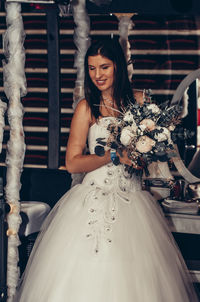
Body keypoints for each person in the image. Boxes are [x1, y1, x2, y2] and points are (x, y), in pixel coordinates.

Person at [14, 39, 199, 302]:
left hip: (133, 200)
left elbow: (149, 155)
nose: (97, 75)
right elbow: (74, 163)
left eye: (104, 67)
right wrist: (114, 155)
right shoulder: (86, 107)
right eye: (91, 68)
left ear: (117, 68)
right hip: (93, 198)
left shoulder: (140, 103)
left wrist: (141, 155)